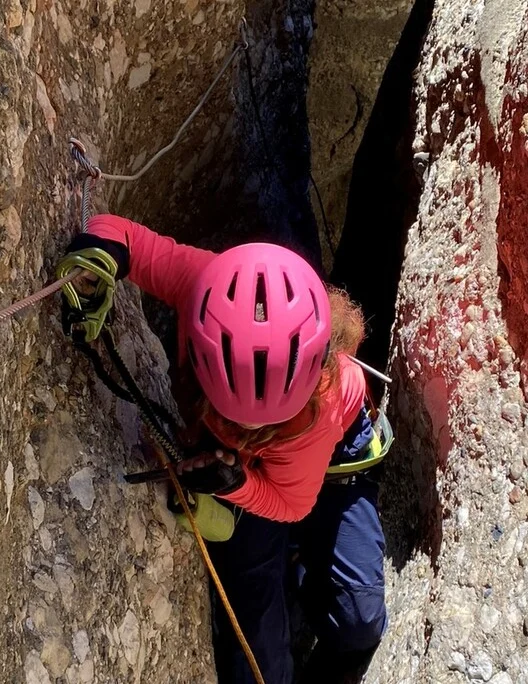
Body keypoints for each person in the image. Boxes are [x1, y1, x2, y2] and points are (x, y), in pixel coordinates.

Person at [57, 214, 388, 683]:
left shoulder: (320, 403)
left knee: (359, 622)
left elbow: (292, 503)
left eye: (259, 416)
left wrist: (236, 486)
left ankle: (307, 588)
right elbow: (122, 235)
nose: (247, 424)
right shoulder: (206, 290)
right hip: (252, 467)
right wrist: (96, 261)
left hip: (326, 460)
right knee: (254, 629)